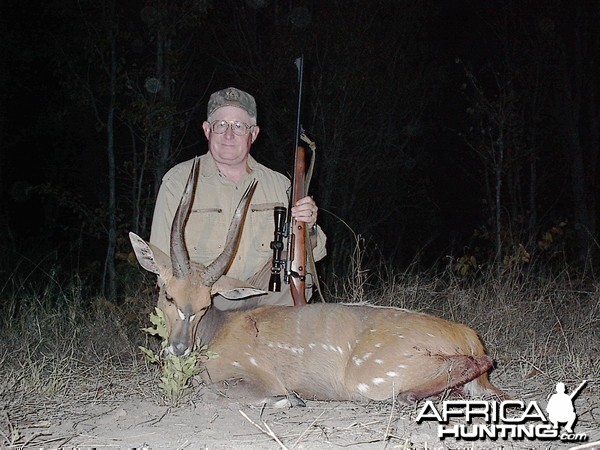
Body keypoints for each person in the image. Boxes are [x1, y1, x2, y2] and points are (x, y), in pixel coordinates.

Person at [150, 87, 327, 310]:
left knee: (296, 271)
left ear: (253, 134)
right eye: (221, 125)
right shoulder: (177, 182)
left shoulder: (280, 185)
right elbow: (160, 264)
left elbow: (315, 254)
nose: (229, 135)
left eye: (239, 126)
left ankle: (277, 339)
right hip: (207, 301)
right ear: (207, 130)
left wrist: (308, 226)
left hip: (262, 298)